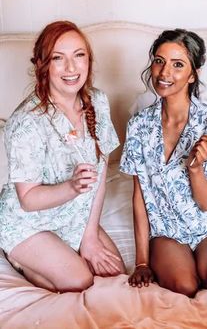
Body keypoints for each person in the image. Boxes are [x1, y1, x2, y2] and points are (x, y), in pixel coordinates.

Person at [0, 20, 125, 293]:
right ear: (42, 66)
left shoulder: (98, 102)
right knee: (80, 281)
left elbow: (101, 172)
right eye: (59, 58)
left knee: (116, 274)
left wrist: (89, 236)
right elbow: (29, 199)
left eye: (79, 56)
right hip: (28, 221)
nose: (71, 68)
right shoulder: (26, 123)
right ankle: (18, 257)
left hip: (73, 215)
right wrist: (71, 187)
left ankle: (67, 252)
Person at [120, 28, 207, 297]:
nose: (164, 73)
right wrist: (141, 261)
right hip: (166, 231)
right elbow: (139, 196)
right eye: (159, 61)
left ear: (193, 74)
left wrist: (195, 169)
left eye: (178, 65)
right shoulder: (138, 126)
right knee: (184, 286)